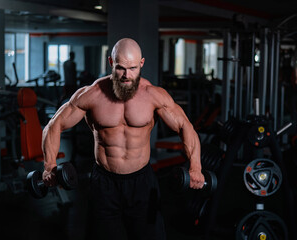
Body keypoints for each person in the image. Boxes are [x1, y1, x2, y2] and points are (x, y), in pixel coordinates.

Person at [42, 38, 205, 240]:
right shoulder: (91, 95)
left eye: (133, 68)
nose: (127, 75)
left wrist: (195, 167)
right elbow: (54, 125)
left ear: (142, 63)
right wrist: (49, 166)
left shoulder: (154, 95)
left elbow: (184, 126)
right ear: (110, 62)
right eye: (120, 68)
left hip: (143, 183)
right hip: (104, 183)